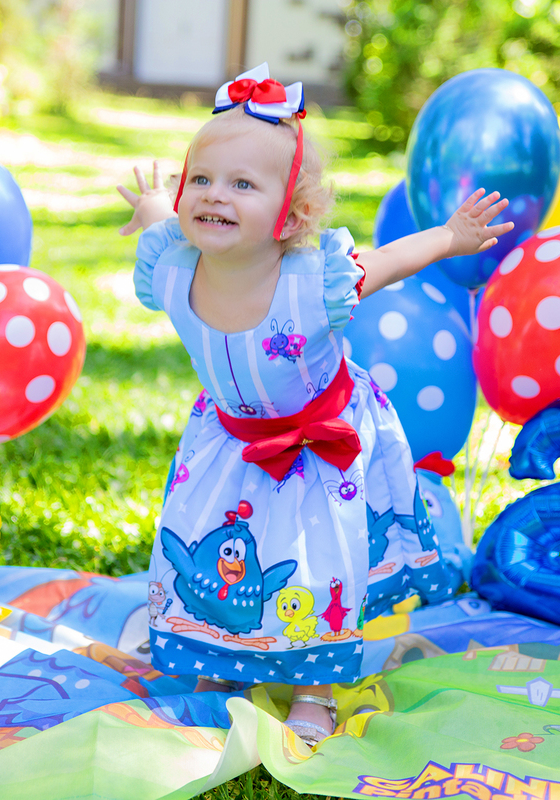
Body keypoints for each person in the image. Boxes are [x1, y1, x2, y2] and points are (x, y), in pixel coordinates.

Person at [117, 64, 511, 747]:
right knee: (213, 548)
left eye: (243, 184)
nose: (215, 195)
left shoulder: (312, 282)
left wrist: (451, 236)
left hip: (319, 441)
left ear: (292, 216)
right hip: (230, 441)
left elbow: (390, 261)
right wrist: (152, 202)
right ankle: (220, 655)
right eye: (201, 180)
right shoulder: (172, 265)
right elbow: (159, 218)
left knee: (315, 565)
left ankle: (314, 688)